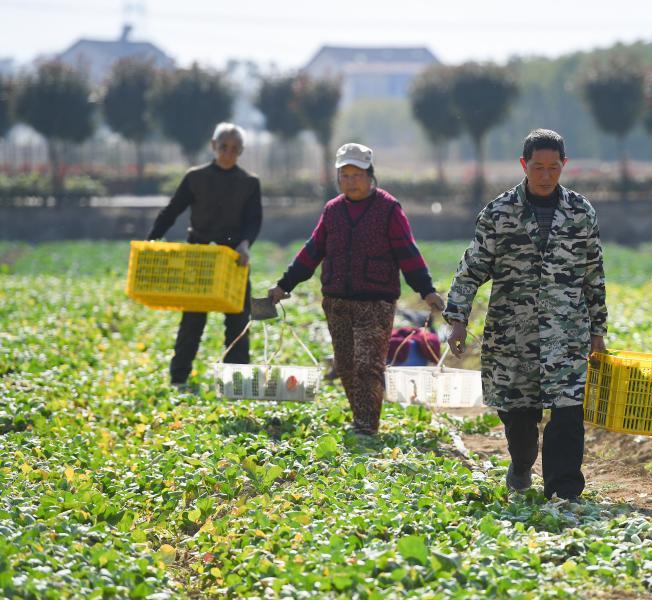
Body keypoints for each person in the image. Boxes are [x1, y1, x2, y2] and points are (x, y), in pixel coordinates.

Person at [443, 129, 607, 501]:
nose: (546, 176)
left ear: (564, 165)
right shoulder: (500, 213)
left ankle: (563, 490)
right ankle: (520, 464)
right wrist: (458, 318)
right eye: (538, 168)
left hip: (566, 334)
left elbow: (593, 275)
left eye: (554, 168)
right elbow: (472, 268)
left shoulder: (581, 213)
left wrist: (598, 329)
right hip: (512, 335)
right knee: (519, 416)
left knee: (567, 410)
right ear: (524, 165)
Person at [268, 143, 444, 435]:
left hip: (375, 303)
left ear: (370, 175)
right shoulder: (333, 210)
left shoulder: (388, 209)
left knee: (368, 365)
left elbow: (407, 253)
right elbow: (312, 251)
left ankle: (366, 426)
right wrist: (284, 284)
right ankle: (360, 417)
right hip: (337, 302)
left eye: (356, 174)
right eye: (344, 175)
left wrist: (426, 290)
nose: (350, 181)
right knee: (347, 366)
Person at [147, 122, 262, 388]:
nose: (228, 153)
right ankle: (179, 379)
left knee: (237, 320)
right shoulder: (195, 178)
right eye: (223, 147)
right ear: (213, 146)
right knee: (192, 322)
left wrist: (245, 244)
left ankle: (238, 383)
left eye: (234, 149)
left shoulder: (249, 183)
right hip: (199, 256)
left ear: (241, 151)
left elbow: (253, 221)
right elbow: (171, 211)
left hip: (233, 257)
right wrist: (152, 240)